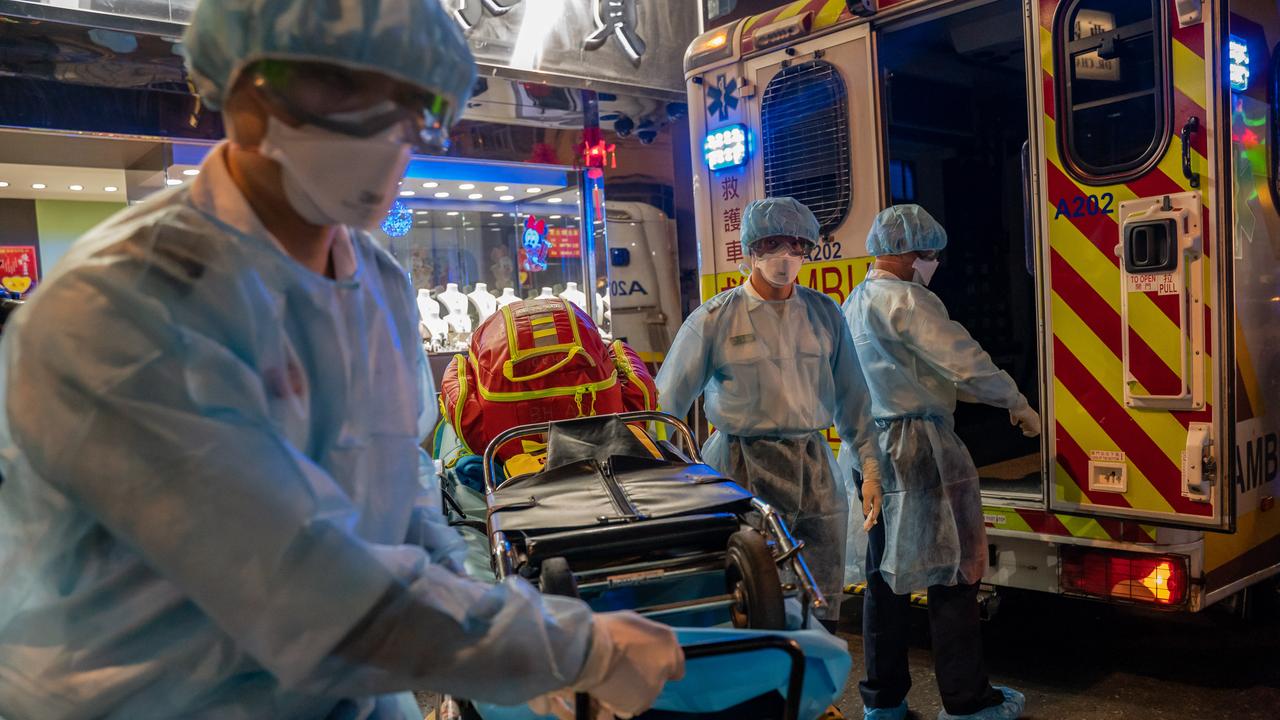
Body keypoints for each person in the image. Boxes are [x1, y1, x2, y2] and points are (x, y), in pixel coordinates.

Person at [0, 2, 682, 718]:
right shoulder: (122, 310)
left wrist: (497, 631)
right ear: (244, 91)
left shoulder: (373, 280)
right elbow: (300, 590)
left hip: (348, 691)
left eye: (414, 105)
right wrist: (566, 649)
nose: (386, 135)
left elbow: (401, 498)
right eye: (343, 95)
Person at [840, 205, 1040, 720]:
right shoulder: (909, 300)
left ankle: (883, 703)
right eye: (929, 254)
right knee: (951, 571)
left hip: (868, 450)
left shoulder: (853, 302)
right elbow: (963, 361)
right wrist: (1015, 402)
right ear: (910, 252)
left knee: (883, 579)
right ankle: (968, 702)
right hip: (917, 447)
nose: (932, 263)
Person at [656, 196, 883, 624]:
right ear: (751, 249)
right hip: (740, 474)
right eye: (774, 243)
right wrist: (670, 479)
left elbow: (854, 399)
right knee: (752, 602)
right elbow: (666, 406)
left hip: (813, 472)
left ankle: (817, 689)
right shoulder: (716, 319)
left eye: (797, 245)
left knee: (819, 603)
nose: (786, 256)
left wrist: (871, 467)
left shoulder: (824, 314)